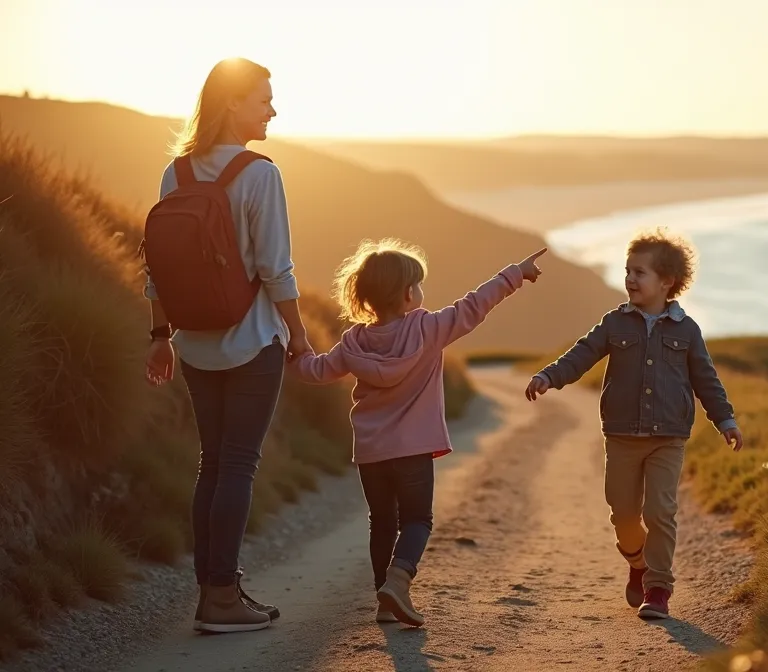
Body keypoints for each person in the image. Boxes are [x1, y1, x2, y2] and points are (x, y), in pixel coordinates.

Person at [290, 238, 546, 626]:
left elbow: (315, 371)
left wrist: (289, 350)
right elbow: (475, 305)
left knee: (382, 522)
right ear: (408, 294)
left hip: (372, 452)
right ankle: (398, 580)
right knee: (417, 521)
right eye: (419, 286)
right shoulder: (429, 328)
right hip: (412, 450)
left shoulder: (352, 342)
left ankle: (384, 600)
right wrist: (516, 274)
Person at [143, 57, 311, 633]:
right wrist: (299, 333)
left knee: (211, 465)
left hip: (194, 344)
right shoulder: (260, 174)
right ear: (233, 103)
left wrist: (160, 336)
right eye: (263, 98)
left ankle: (212, 592)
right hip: (251, 342)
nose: (272, 108)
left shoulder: (177, 174)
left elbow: (157, 268)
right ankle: (221, 599)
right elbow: (275, 270)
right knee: (237, 466)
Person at [523, 228, 744, 620]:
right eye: (627, 270)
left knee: (660, 511)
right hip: (622, 434)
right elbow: (582, 353)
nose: (629, 279)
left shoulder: (687, 331)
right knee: (622, 513)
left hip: (668, 437)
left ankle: (658, 587)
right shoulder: (614, 323)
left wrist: (724, 419)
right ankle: (638, 562)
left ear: (667, 282)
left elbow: (705, 379)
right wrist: (549, 376)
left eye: (639, 272)